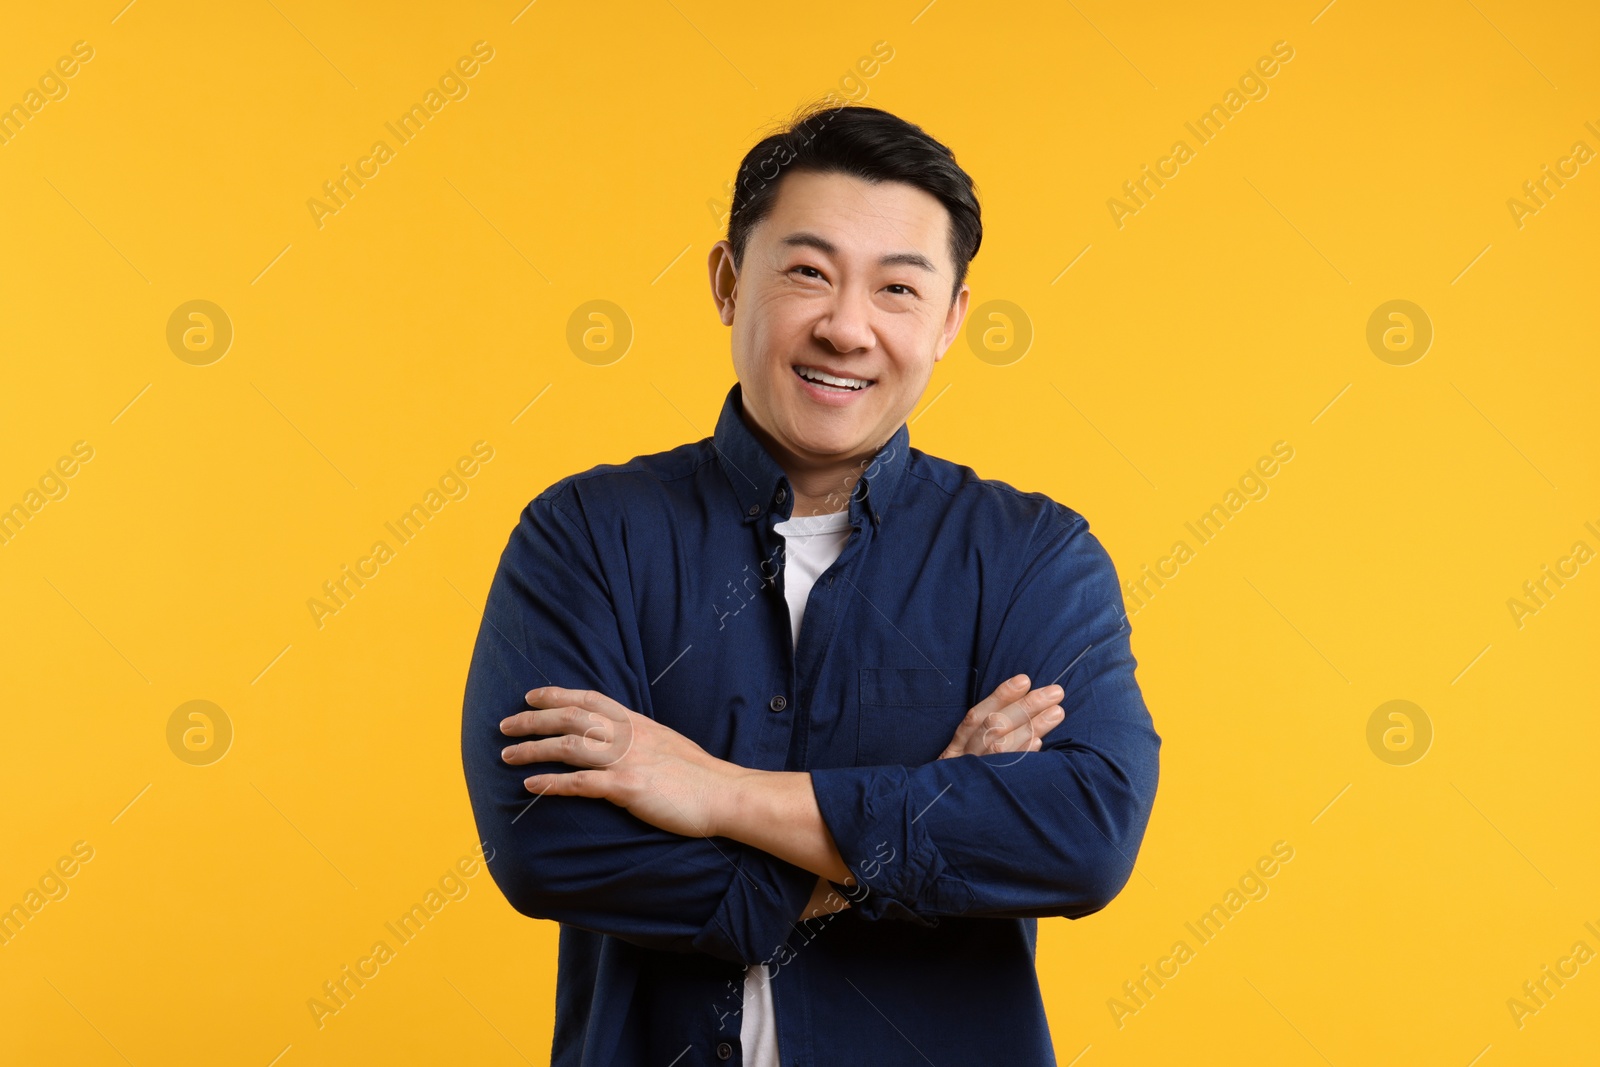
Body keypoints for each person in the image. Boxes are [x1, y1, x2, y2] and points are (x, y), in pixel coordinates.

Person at [460, 101, 1161, 1067]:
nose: (847, 328)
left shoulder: (1032, 556)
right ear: (726, 281)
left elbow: (1081, 833)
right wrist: (905, 836)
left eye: (899, 290)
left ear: (952, 319)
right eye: (807, 272)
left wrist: (716, 793)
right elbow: (542, 840)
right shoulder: (589, 534)